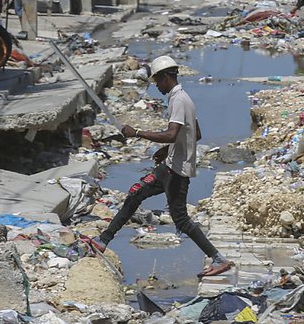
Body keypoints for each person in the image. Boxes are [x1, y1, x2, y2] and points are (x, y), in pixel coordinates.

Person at [88, 56, 234, 278]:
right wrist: (167, 151)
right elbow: (197, 133)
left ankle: (219, 259)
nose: (156, 85)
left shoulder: (179, 100)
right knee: (136, 193)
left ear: (167, 77)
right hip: (169, 165)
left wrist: (136, 132)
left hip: (177, 171)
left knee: (181, 219)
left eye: (158, 81)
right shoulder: (183, 98)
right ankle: (103, 240)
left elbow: (171, 134)